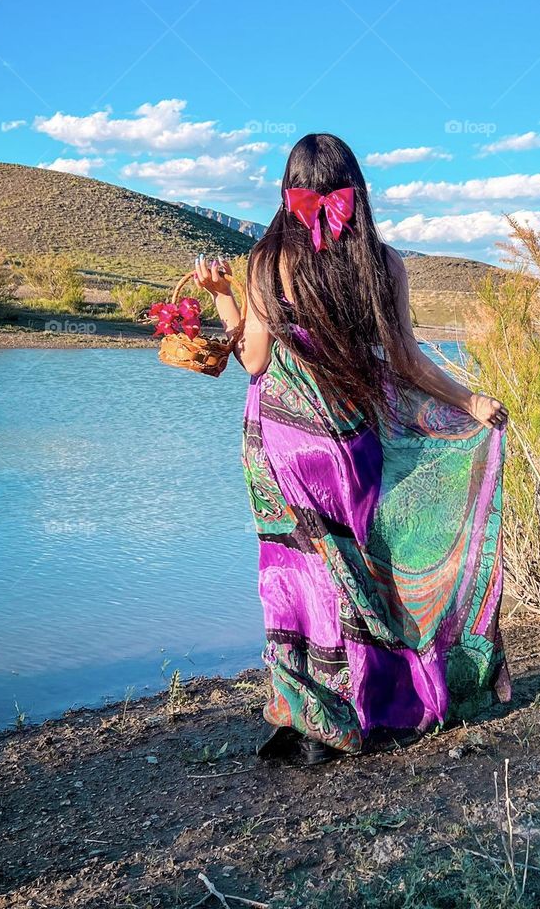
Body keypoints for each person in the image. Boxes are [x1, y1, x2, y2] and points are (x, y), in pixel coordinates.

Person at [194, 132, 510, 766]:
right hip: (350, 439)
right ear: (356, 191)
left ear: (287, 191)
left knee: (297, 574)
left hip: (281, 444)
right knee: (361, 571)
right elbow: (408, 360)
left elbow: (254, 359)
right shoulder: (383, 261)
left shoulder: (264, 262)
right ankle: (378, 698)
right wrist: (472, 402)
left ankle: (315, 713)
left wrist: (224, 298)